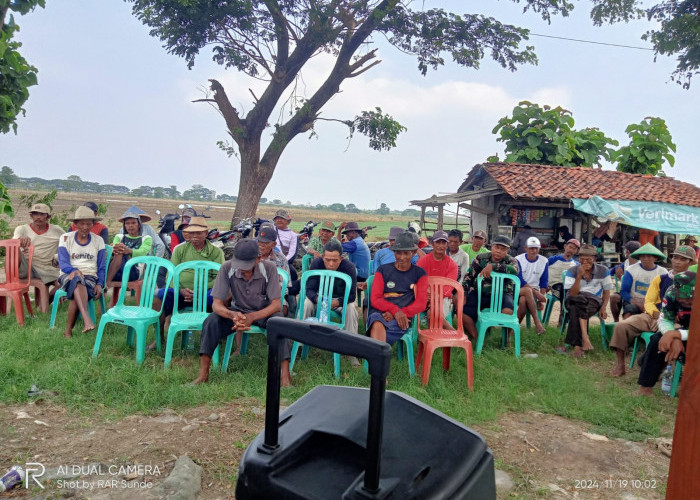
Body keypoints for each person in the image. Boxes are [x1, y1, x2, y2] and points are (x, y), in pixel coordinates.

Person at [191, 239, 292, 386]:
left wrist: (252, 317)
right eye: (239, 264)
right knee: (211, 321)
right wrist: (232, 315)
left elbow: (276, 305)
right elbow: (216, 305)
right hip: (237, 311)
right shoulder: (227, 268)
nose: (241, 269)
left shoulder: (269, 269)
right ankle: (203, 375)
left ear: (258, 259)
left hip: (263, 312)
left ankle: (285, 376)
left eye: (246, 265)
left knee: (280, 323)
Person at [609, 245, 695, 377]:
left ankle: (667, 370)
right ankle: (620, 365)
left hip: (677, 321)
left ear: (691, 262)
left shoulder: (694, 282)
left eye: (683, 259)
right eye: (675, 257)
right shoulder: (661, 278)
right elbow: (649, 301)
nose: (677, 261)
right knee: (621, 326)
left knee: (669, 336)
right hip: (652, 314)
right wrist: (656, 314)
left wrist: (666, 320)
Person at [151, 217, 224, 348]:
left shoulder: (216, 252)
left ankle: (211, 339)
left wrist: (199, 291)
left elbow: (219, 278)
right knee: (157, 297)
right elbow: (172, 275)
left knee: (218, 297)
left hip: (205, 292)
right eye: (192, 233)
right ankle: (159, 338)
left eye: (199, 233)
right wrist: (180, 290)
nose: (194, 236)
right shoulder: (180, 249)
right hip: (181, 292)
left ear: (206, 233)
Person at [636, 271, 695, 396]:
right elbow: (665, 319)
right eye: (679, 296)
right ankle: (645, 387)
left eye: (687, 297)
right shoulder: (671, 293)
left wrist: (678, 335)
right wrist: (672, 335)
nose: (682, 299)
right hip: (686, 329)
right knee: (658, 339)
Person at [304, 240, 360, 366]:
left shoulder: (348, 267)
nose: (330, 264)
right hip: (320, 298)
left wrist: (337, 302)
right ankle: (300, 344)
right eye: (327, 259)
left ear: (341, 258)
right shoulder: (317, 263)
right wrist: (317, 299)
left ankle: (351, 350)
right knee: (306, 303)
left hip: (340, 301)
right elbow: (309, 289)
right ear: (323, 256)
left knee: (351, 308)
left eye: (335, 260)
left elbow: (351, 295)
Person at [368, 233, 428, 345]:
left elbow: (421, 303)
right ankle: (379, 357)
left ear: (414, 253)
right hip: (381, 312)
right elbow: (375, 299)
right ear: (393, 252)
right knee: (376, 322)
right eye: (398, 253)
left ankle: (375, 357)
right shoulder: (383, 270)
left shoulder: (420, 273)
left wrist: (400, 313)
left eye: (406, 253)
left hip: (404, 316)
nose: (401, 257)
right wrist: (395, 311)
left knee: (377, 330)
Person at [57, 206, 107, 338]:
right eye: (82, 224)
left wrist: (100, 284)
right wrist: (73, 270)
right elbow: (62, 262)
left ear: (93, 224)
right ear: (75, 224)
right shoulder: (66, 238)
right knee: (77, 280)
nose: (85, 227)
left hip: (90, 276)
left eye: (89, 223)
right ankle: (87, 319)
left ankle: (68, 332)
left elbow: (101, 266)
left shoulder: (98, 240)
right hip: (68, 273)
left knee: (76, 290)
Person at [461, 235, 520, 340]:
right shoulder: (481, 258)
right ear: (491, 247)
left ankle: (505, 339)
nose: (498, 251)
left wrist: (493, 266)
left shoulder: (511, 261)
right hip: (480, 293)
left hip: (502, 294)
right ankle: (477, 338)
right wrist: (464, 293)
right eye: (496, 247)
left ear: (507, 250)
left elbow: (515, 270)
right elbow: (468, 277)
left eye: (503, 249)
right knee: (464, 314)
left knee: (508, 312)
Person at [563, 244, 613, 358]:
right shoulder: (572, 270)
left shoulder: (603, 270)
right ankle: (585, 338)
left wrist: (603, 307)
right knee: (578, 300)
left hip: (593, 300)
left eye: (589, 259)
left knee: (577, 308)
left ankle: (577, 346)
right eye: (582, 259)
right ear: (579, 259)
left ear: (594, 258)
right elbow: (572, 293)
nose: (585, 261)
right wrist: (579, 275)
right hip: (573, 298)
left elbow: (606, 291)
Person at [13, 203, 65, 304]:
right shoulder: (22, 229)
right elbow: (13, 243)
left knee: (63, 283)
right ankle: (41, 303)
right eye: (35, 214)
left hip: (47, 267)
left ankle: (45, 301)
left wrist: (59, 259)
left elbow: (69, 242)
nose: (38, 217)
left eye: (42, 214)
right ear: (31, 216)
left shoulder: (56, 230)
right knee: (16, 252)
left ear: (48, 216)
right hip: (28, 266)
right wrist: (20, 240)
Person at [417, 230, 458, 329]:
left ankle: (442, 333)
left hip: (442, 297)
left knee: (433, 312)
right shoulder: (423, 261)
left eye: (443, 243)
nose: (440, 246)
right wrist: (425, 291)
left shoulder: (452, 265)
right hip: (424, 296)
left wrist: (435, 297)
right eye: (437, 242)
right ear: (432, 243)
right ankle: (452, 332)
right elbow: (417, 279)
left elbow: (449, 287)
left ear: (447, 245)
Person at [619, 243, 668, 320]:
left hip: (655, 303)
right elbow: (624, 291)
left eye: (649, 256)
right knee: (629, 311)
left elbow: (665, 292)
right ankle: (626, 328)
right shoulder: (631, 270)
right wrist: (637, 302)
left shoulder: (663, 272)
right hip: (634, 301)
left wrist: (649, 304)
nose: (645, 259)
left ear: (655, 258)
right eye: (643, 256)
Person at [107, 210, 154, 284]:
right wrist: (115, 249)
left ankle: (107, 282)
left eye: (133, 223)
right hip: (116, 270)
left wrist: (129, 251)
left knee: (120, 252)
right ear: (124, 226)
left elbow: (142, 252)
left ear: (139, 225)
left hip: (134, 271)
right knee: (118, 251)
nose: (130, 226)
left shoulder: (146, 239)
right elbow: (116, 249)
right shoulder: (119, 237)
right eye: (127, 223)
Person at [515, 237, 549, 335]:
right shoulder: (518, 259)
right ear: (526, 248)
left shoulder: (544, 261)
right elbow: (519, 279)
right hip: (519, 289)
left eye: (536, 248)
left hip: (533, 294)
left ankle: (514, 329)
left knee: (523, 301)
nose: (534, 251)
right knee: (527, 291)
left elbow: (544, 282)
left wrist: (541, 297)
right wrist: (536, 293)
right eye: (531, 248)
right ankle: (537, 323)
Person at [609, 240, 641, 321]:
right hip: (624, 292)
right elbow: (610, 272)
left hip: (637, 293)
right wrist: (617, 268)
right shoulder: (626, 263)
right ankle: (616, 321)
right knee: (613, 297)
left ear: (627, 252)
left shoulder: (641, 264)